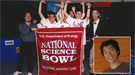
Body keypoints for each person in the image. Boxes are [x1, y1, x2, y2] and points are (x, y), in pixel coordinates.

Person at [64, 0, 92, 73]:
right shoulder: (72, 20)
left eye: (80, 13)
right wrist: (66, 4)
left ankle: (80, 71)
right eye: (77, 13)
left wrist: (88, 7)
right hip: (73, 43)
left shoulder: (83, 22)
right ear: (75, 14)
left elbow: (88, 16)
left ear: (81, 14)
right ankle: (73, 70)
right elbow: (64, 13)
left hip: (81, 43)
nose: (79, 15)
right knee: (73, 57)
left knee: (81, 57)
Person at [89, 9, 109, 73]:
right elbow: (88, 33)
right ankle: (92, 70)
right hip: (92, 43)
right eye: (93, 13)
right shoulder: (90, 23)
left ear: (98, 14)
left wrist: (99, 37)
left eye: (96, 13)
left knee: (99, 58)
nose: (94, 15)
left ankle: (100, 70)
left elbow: (107, 33)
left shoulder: (104, 23)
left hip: (100, 42)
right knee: (91, 58)